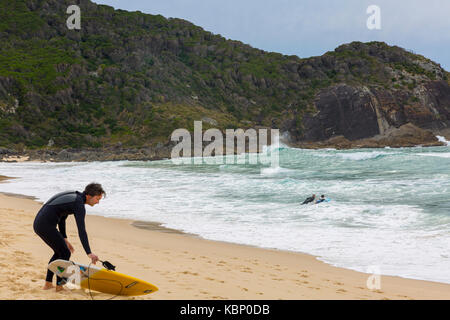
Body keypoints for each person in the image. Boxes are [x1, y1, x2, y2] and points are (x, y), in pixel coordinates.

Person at [33, 183, 105, 292]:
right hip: (45, 225)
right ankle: (59, 286)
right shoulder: (78, 204)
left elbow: (62, 218)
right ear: (89, 196)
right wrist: (89, 252)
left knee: (60, 252)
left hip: (41, 224)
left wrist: (64, 238)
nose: (98, 202)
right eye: (97, 199)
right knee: (65, 253)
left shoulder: (75, 198)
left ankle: (48, 284)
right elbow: (81, 230)